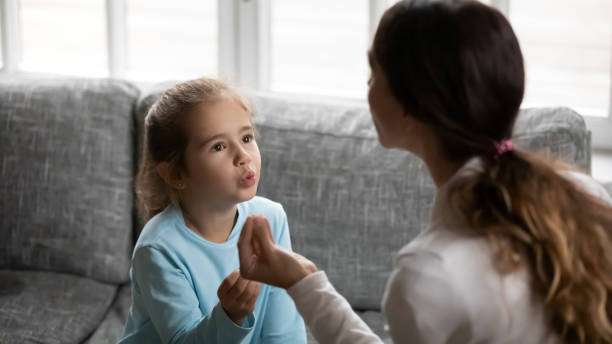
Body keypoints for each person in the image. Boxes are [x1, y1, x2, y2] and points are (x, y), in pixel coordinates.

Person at [237, 1, 612, 343]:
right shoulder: (584, 193)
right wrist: (302, 279)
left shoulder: (429, 275)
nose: (367, 87)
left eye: (374, 74)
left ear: (410, 105)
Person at [119, 78, 306, 343]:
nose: (243, 156)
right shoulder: (158, 249)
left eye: (246, 137)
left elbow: (285, 331)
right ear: (175, 173)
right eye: (218, 146)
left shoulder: (271, 219)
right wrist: (229, 317)